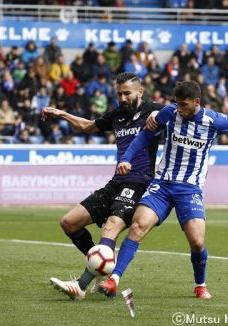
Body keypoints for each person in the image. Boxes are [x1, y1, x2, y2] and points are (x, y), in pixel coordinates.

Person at [98, 81, 228, 299]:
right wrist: (126, 159)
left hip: (189, 189)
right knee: (138, 226)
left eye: (184, 105)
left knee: (197, 242)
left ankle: (200, 285)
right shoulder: (169, 113)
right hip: (161, 184)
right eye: (176, 104)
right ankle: (113, 280)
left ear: (196, 102)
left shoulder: (214, 120)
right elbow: (143, 136)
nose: (179, 109)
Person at [43, 72, 162, 300]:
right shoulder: (117, 115)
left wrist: (161, 113)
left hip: (139, 182)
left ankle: (81, 284)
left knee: (110, 228)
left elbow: (181, 112)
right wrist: (61, 113)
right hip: (116, 181)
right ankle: (101, 264)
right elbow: (88, 126)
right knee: (69, 222)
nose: (123, 98)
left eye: (127, 93)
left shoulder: (153, 111)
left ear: (140, 92)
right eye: (119, 94)